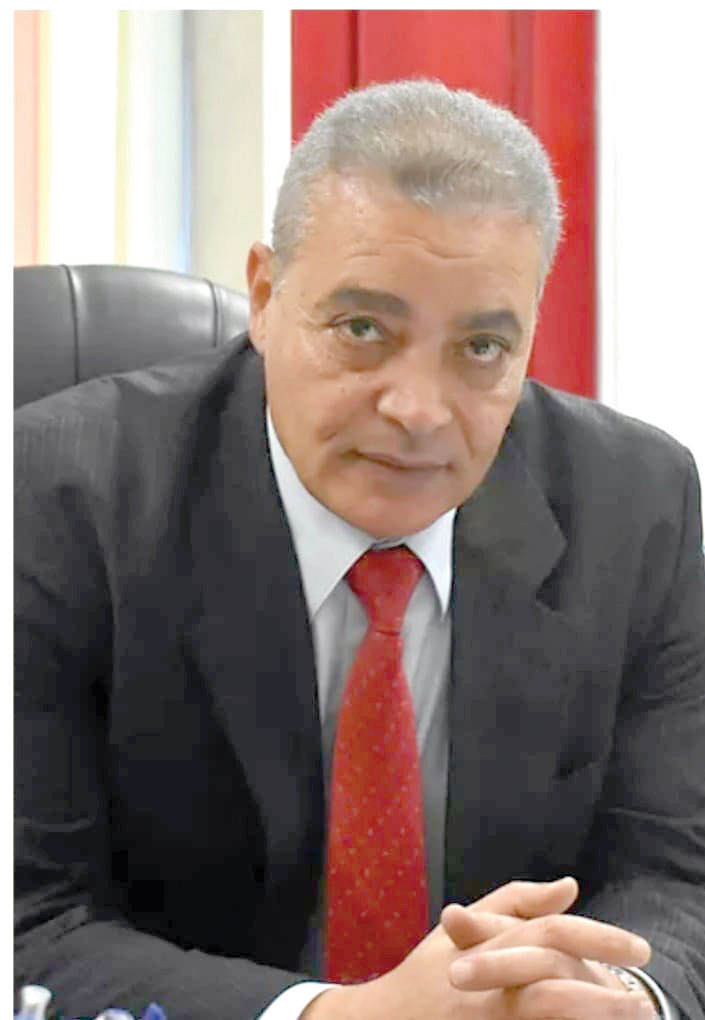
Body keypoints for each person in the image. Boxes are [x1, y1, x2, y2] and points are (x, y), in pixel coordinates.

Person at [14, 79, 705, 1020]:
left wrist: (614, 990)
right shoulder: (57, 496)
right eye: (363, 330)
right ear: (265, 297)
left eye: (480, 348)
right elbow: (30, 920)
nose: (417, 410)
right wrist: (342, 1015)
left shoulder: (634, 504)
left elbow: (675, 867)